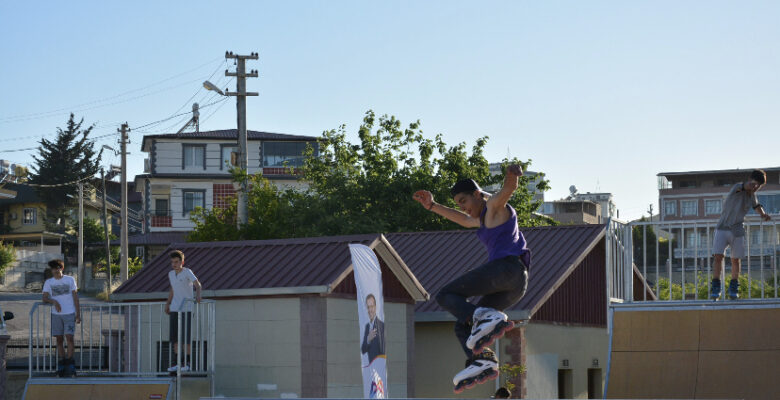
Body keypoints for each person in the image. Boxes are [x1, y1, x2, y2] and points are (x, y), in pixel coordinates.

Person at [413, 164, 530, 393]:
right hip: (513, 287)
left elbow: (506, 191)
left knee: (446, 294)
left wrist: (511, 175)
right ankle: (483, 360)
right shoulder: (480, 219)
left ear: (478, 195)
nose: (464, 208)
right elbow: (462, 220)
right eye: (459, 204)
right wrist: (433, 206)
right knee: (461, 326)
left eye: (464, 201)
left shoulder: (495, 208)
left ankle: (486, 318)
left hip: (507, 269)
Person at [710, 169, 772, 300]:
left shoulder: (752, 196)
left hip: (737, 229)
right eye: (754, 184)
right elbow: (743, 187)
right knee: (718, 257)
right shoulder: (738, 187)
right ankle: (716, 287)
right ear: (749, 180)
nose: (755, 188)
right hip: (722, 227)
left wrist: (763, 214)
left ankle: (733, 288)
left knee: (735, 260)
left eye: (758, 186)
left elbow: (757, 206)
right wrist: (748, 185)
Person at [42, 259, 80, 377]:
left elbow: (75, 297)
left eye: (57, 267)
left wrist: (78, 314)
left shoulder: (70, 280)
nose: (55, 270)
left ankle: (70, 364)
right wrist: (54, 301)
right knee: (59, 339)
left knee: (69, 338)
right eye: (53, 268)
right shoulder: (49, 282)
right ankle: (62, 364)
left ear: (61, 268)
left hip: (69, 313)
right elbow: (44, 298)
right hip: (56, 314)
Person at [165, 250, 202, 372]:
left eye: (176, 262)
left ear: (182, 262)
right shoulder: (171, 274)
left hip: (186, 308)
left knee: (186, 337)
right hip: (175, 308)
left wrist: (198, 295)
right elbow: (173, 289)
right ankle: (178, 363)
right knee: (175, 338)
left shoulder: (187, 272)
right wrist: (168, 303)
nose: (174, 264)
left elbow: (198, 284)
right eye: (172, 262)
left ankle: (188, 363)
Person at [360, 293, 385, 364]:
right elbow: (363, 350)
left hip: (379, 367)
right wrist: (368, 339)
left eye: (371, 306)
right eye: (368, 307)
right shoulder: (367, 326)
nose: (370, 310)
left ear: (375, 307)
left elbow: (383, 350)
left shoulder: (381, 326)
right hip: (370, 367)